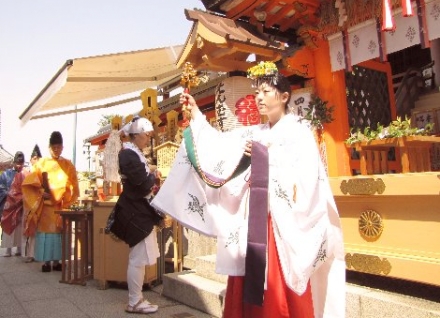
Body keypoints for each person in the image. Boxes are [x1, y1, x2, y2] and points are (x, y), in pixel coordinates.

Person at [152, 62, 345, 317]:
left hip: (279, 225)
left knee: (277, 285)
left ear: (285, 96)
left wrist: (263, 158)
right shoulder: (256, 131)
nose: (259, 98)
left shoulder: (299, 132)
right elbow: (219, 145)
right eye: (257, 93)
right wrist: (197, 114)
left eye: (266, 92)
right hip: (253, 222)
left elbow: (309, 180)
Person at [110, 117, 163, 314]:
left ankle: (137, 298)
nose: (149, 138)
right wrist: (153, 176)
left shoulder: (132, 153)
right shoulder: (128, 155)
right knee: (137, 258)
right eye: (147, 134)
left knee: (139, 258)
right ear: (136, 134)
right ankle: (134, 301)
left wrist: (151, 176)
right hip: (136, 210)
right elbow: (142, 184)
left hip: (138, 209)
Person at [22, 131, 79, 272]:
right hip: (46, 206)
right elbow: (31, 182)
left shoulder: (67, 164)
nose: (56, 150)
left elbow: (74, 184)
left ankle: (58, 261)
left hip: (60, 205)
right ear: (49, 148)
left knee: (59, 234)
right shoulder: (41, 164)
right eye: (54, 147)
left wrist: (67, 198)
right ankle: (46, 262)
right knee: (46, 235)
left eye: (59, 147)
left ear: (62, 148)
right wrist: (42, 192)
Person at [0, 151, 26, 257]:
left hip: (20, 204)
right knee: (8, 226)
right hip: (9, 205)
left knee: (20, 227)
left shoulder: (25, 175)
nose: (19, 165)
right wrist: (11, 195)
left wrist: (20, 198)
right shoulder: (5, 174)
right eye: (17, 163)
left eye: (21, 163)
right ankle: (8, 249)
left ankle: (19, 248)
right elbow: (1, 188)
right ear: (14, 163)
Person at [22, 144, 42, 263]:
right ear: (30, 159)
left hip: (39, 203)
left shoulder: (42, 172)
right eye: (34, 158)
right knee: (29, 229)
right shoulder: (25, 172)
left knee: (38, 230)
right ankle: (29, 254)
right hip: (28, 203)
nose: (36, 160)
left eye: (38, 158)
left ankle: (37, 254)